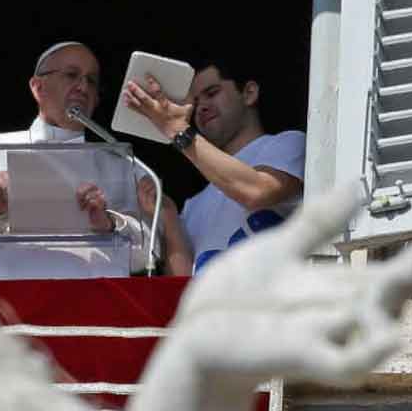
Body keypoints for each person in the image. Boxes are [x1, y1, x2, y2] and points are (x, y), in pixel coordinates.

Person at [0, 41, 150, 279]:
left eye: (92, 80)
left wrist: (108, 224)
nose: (83, 87)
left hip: (93, 310)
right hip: (11, 309)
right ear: (37, 87)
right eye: (71, 75)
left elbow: (147, 258)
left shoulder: (119, 164)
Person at [126, 59, 305, 276]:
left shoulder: (288, 143)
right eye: (196, 101)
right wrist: (169, 217)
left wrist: (177, 129)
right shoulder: (193, 205)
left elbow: (258, 191)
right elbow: (182, 287)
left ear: (249, 93)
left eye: (212, 93)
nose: (201, 106)